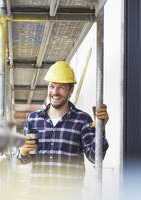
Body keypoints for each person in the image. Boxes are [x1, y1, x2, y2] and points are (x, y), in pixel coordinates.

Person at [18, 61, 109, 200]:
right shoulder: (34, 119)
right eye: (52, 86)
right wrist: (23, 152)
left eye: (61, 87)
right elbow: (25, 159)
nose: (55, 92)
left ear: (71, 90)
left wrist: (100, 130)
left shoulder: (83, 120)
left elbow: (95, 157)